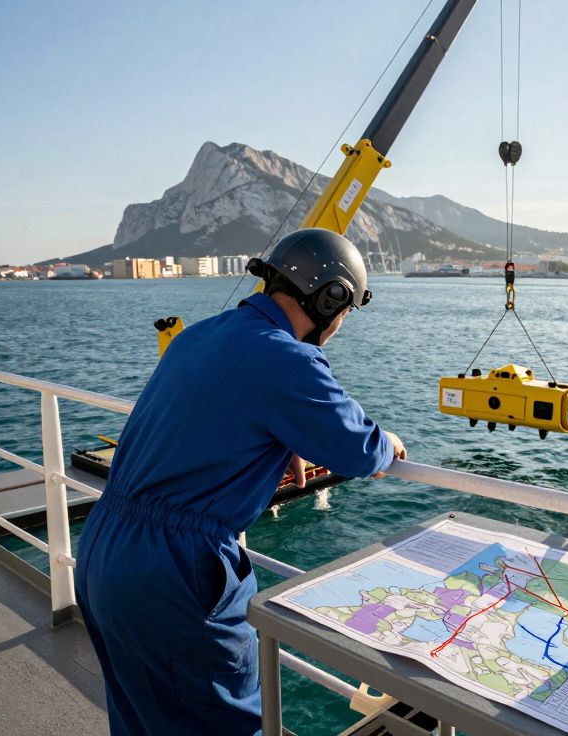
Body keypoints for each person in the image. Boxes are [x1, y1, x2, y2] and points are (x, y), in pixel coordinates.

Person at [75, 228, 407, 735]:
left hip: (104, 546)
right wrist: (390, 443)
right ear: (330, 297)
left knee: (141, 718)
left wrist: (285, 437)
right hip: (174, 571)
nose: (341, 324)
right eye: (345, 309)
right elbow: (359, 450)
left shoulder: (198, 335)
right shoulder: (286, 358)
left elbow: (219, 410)